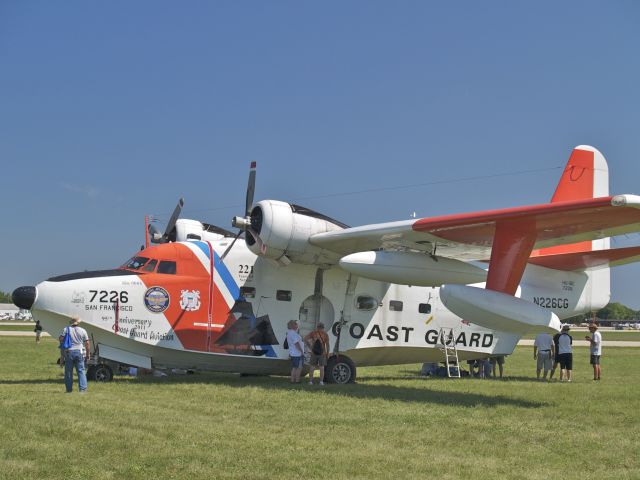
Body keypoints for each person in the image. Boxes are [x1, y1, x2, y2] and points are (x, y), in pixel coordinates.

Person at [59, 316, 90, 393]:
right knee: (81, 371)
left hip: (69, 351)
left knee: (68, 371)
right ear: (78, 322)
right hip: (79, 351)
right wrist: (88, 354)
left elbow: (61, 339)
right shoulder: (83, 330)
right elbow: (87, 343)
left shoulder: (66, 329)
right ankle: (82, 390)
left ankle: (69, 390)